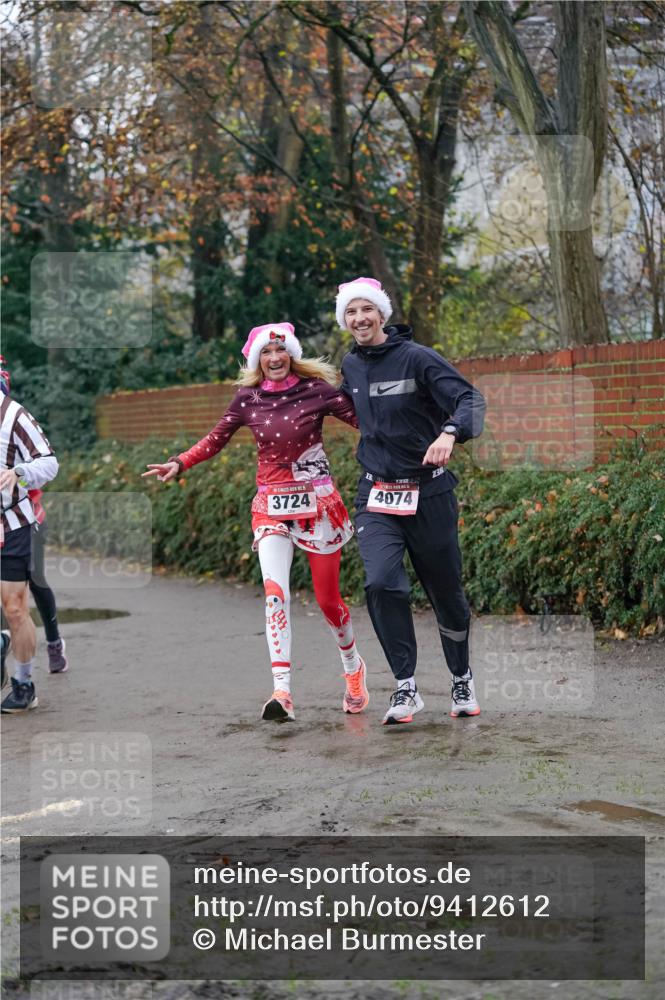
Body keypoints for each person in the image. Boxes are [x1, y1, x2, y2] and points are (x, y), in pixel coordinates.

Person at [143, 322, 368, 722]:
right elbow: (216, 438)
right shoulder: (247, 399)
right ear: (257, 359)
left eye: (281, 350)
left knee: (327, 601)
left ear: (292, 355)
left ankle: (352, 668)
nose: (275, 357)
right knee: (274, 594)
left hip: (317, 504)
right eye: (267, 352)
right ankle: (282, 692)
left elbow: (365, 422)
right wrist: (180, 461)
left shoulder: (317, 392)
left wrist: (410, 431)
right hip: (270, 507)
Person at [336, 277, 486, 725]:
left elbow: (470, 399)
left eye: (367, 310)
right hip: (377, 493)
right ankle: (405, 688)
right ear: (344, 320)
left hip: (430, 493)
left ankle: (461, 678)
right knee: (382, 583)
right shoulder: (351, 365)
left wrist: (450, 431)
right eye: (351, 312)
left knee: (447, 594)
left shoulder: (416, 358)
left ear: (382, 314)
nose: (360, 318)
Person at [0, 360, 68, 674]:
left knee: (35, 584)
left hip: (24, 520)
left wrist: (21, 474)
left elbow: (46, 465)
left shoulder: (15, 420)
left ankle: (53, 642)